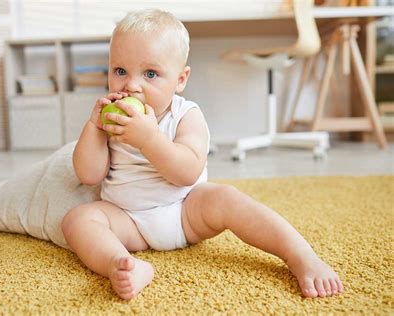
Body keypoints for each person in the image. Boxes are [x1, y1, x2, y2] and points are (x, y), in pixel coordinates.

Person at [61, 8, 343, 300]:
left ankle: (299, 254)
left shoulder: (186, 115)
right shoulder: (111, 117)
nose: (131, 85)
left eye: (150, 73)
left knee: (227, 198)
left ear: (180, 79)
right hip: (128, 220)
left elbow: (186, 173)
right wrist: (93, 127)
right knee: (78, 219)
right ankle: (122, 264)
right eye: (120, 71)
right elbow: (88, 175)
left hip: (185, 212)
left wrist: (149, 139)